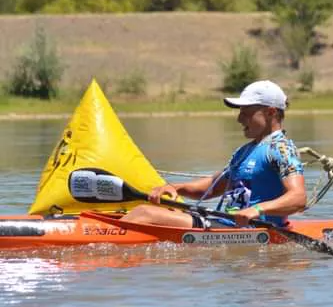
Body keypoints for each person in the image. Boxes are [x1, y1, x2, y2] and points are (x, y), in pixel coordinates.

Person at [120, 80, 307, 229]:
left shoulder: (281, 149)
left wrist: (257, 210)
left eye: (246, 113)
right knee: (155, 209)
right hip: (223, 224)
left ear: (270, 112)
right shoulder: (246, 150)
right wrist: (176, 188)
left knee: (145, 213)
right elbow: (214, 186)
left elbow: (298, 198)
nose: (239, 119)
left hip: (250, 229)